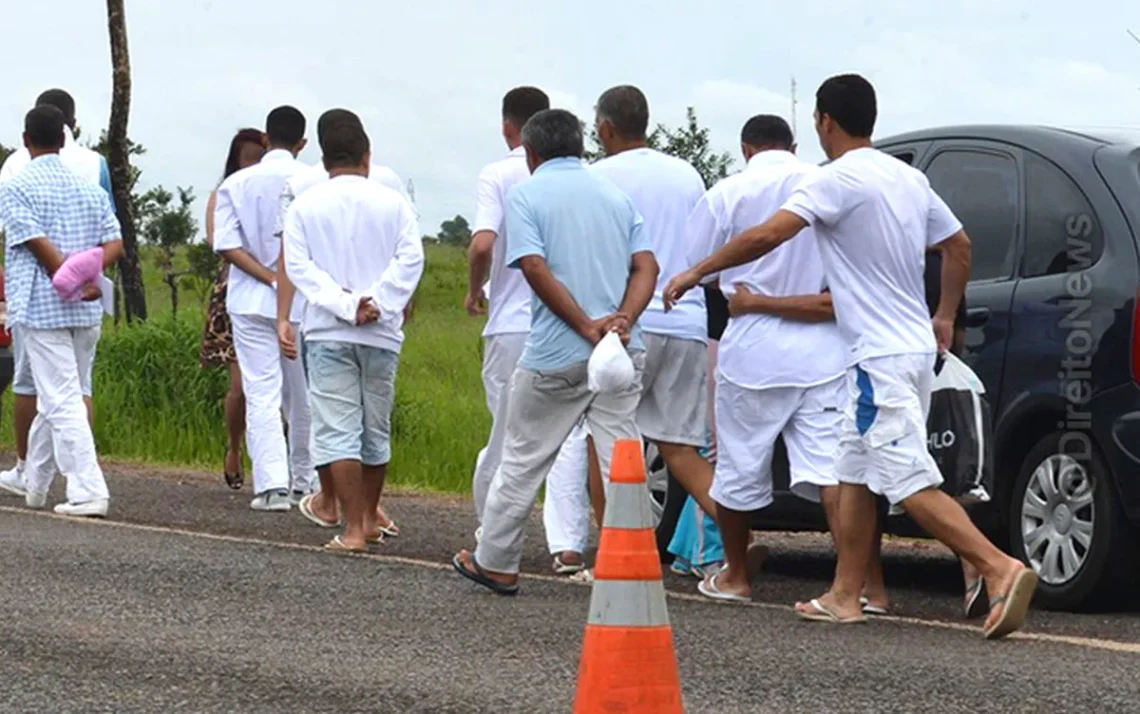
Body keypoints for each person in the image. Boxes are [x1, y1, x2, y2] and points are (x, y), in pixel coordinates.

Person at [664, 73, 1037, 640]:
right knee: (852, 473)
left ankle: (999, 567)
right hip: (908, 348)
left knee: (906, 478)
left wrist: (697, 271)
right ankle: (845, 595)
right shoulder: (908, 178)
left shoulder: (834, 181)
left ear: (824, 122)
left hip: (876, 358)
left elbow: (768, 236)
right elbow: (957, 245)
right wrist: (942, 314)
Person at [452, 108, 657, 595]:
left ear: (530, 152)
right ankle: (633, 567)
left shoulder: (526, 195)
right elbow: (646, 266)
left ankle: (497, 561)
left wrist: (585, 325)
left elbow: (534, 267)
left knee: (523, 457)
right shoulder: (615, 196)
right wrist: (622, 319)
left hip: (557, 352)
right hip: (622, 349)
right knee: (622, 459)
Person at [685, 114, 846, 603]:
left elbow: (698, 266)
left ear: (746, 149)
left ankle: (736, 575)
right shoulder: (826, 185)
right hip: (822, 344)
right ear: (793, 145)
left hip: (752, 343)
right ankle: (851, 583)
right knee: (829, 471)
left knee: (738, 465)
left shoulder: (727, 193)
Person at [283, 112, 424, 552]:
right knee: (374, 428)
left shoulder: (305, 205)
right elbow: (411, 259)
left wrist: (346, 304)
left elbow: (299, 267)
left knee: (337, 427)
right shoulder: (394, 203)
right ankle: (368, 516)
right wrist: (377, 302)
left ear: (324, 160)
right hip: (381, 331)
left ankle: (353, 529)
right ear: (367, 156)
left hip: (328, 329)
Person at [467, 86, 590, 574]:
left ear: (508, 128)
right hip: (570, 320)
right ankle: (568, 543)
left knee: (507, 437)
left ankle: (490, 535)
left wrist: (475, 289)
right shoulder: (583, 178)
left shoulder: (498, 174)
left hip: (513, 322)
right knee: (568, 436)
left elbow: (481, 244)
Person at [588, 85, 717, 522]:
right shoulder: (686, 174)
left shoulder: (599, 176)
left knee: (606, 436)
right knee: (680, 447)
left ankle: (615, 549)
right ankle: (738, 544)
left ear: (605, 128)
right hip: (687, 321)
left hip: (628, 324)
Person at [0, 104, 123, 516]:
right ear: (65, 136)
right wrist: (89, 276)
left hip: (41, 308)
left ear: (25, 139)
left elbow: (35, 242)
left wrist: (67, 278)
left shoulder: (17, 186)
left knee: (60, 399)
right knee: (61, 393)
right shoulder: (88, 188)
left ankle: (88, 489)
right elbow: (114, 244)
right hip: (87, 311)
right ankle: (35, 484)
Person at [213, 105, 315, 511]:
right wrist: (287, 281)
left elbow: (226, 244)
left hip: (250, 300)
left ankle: (272, 486)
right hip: (304, 302)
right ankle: (305, 482)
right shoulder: (314, 181)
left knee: (261, 391)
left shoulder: (236, 183)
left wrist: (269, 278)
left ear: (267, 140)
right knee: (302, 393)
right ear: (302, 143)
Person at [199, 127, 266, 490]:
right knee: (241, 386)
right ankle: (235, 448)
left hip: (278, 289)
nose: (254, 164)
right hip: (235, 291)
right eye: (248, 157)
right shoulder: (224, 194)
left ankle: (274, 462)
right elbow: (217, 241)